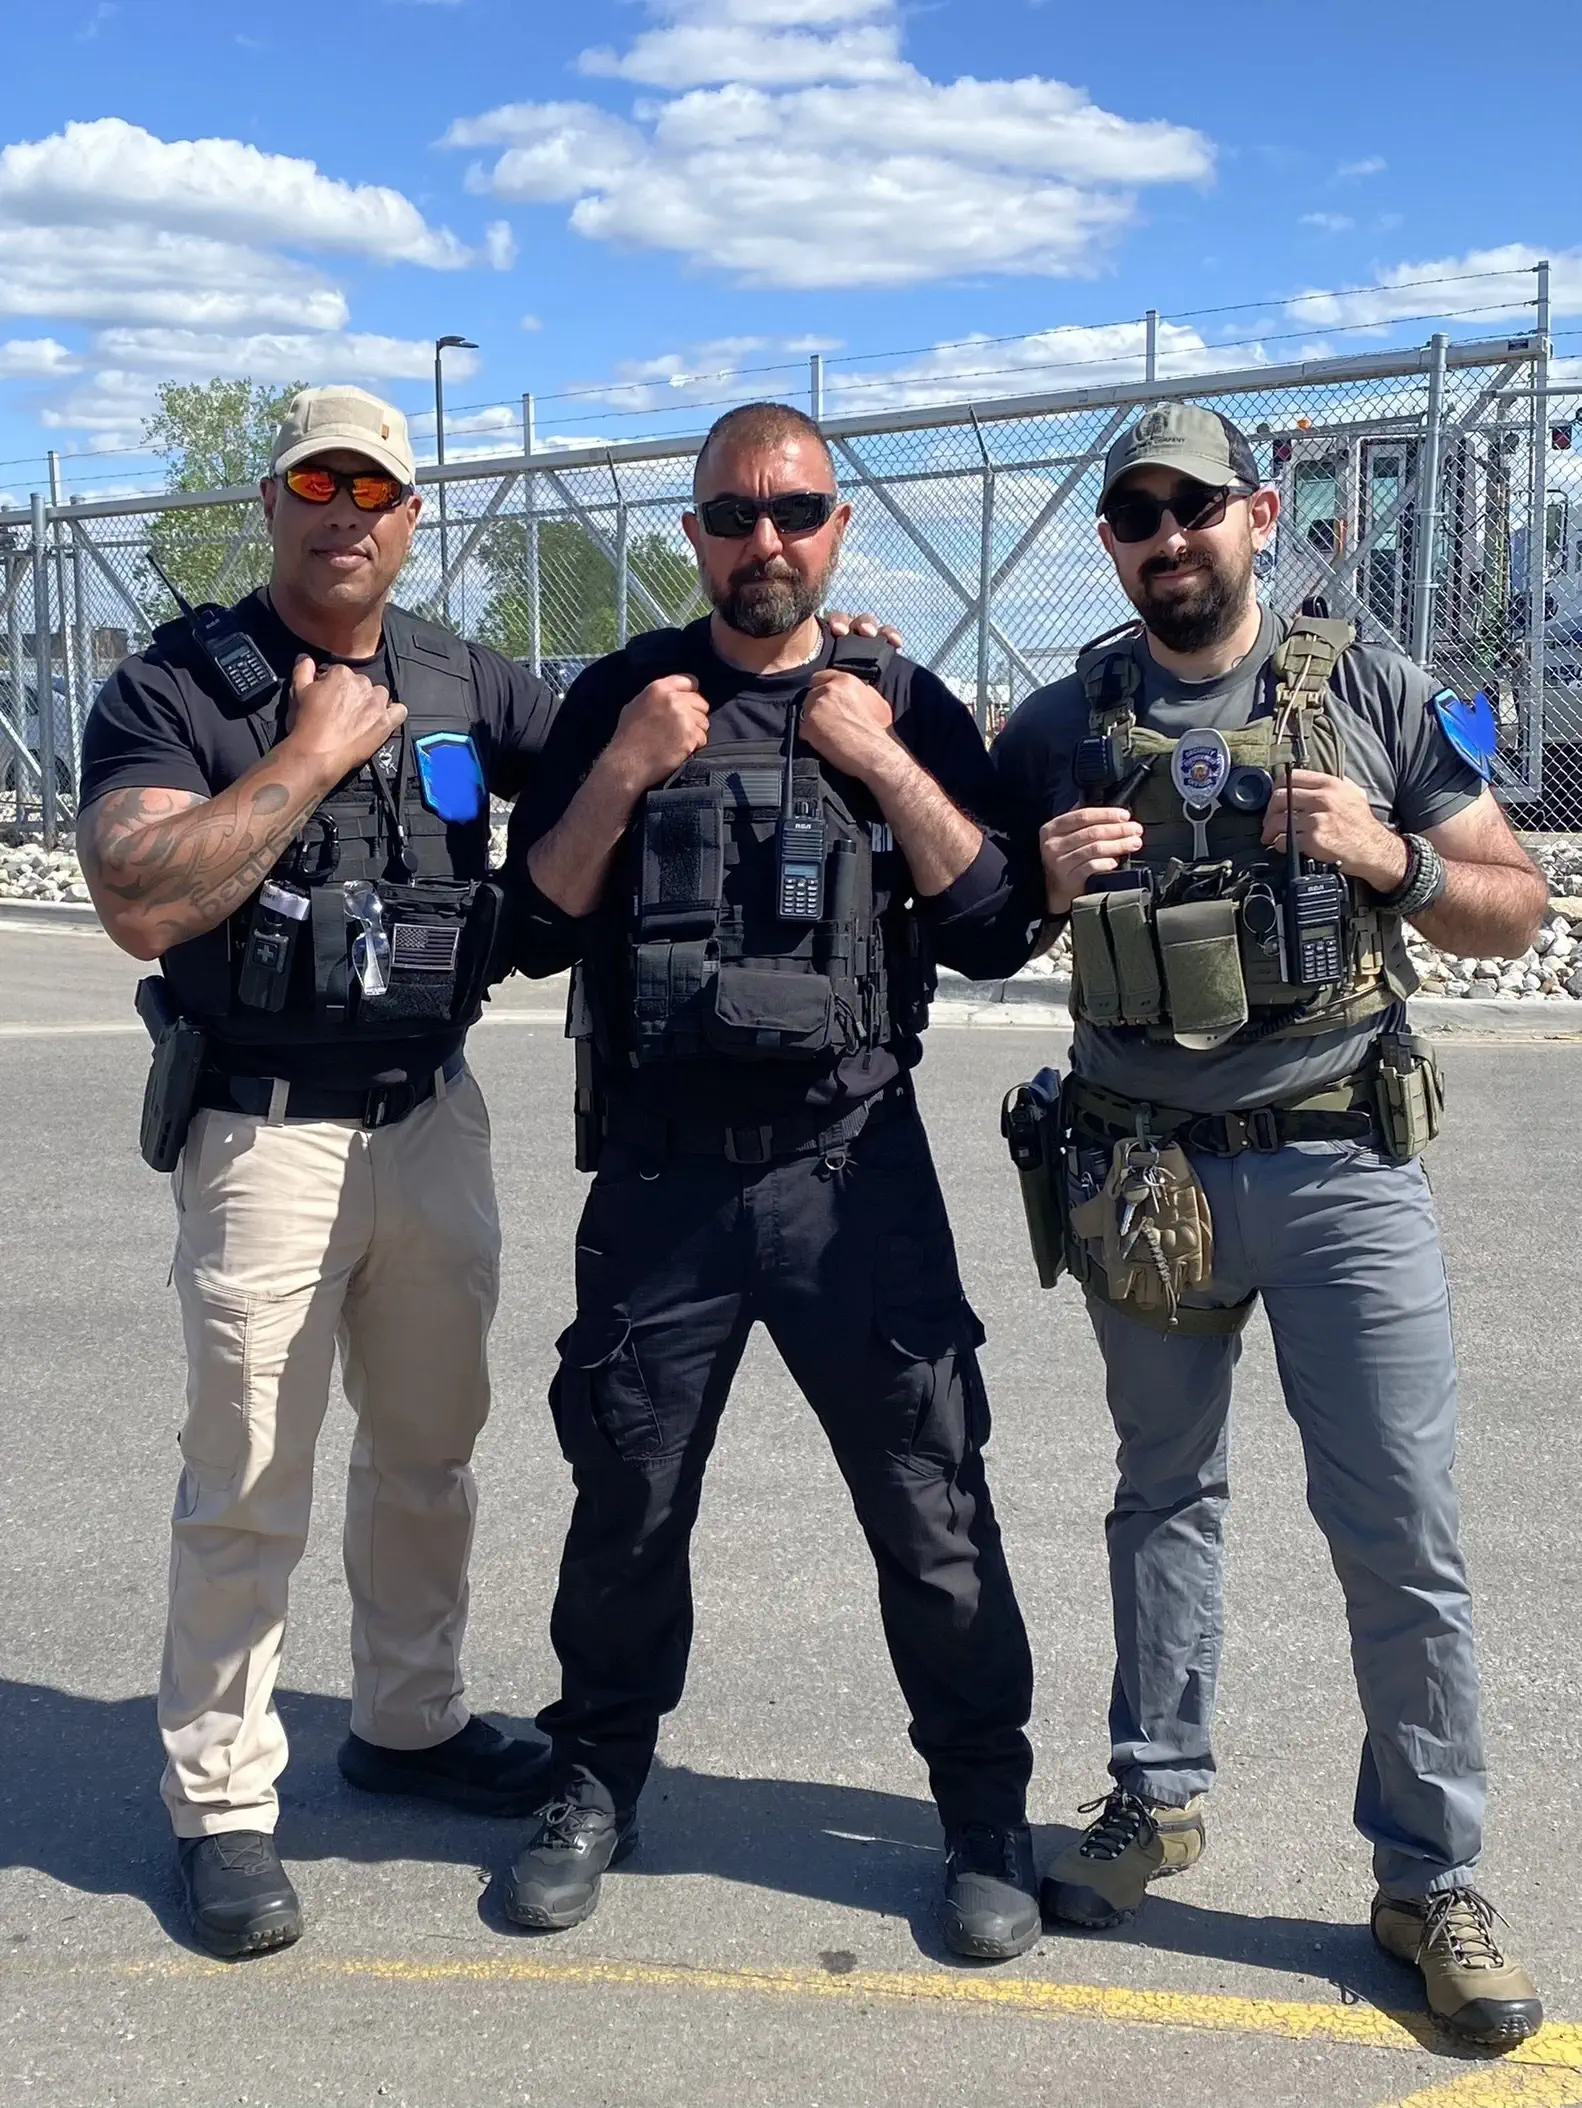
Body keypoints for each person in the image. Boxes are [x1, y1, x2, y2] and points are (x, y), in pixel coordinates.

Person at [988, 401, 1547, 2045]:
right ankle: (1152, 1797)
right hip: (1141, 1177)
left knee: (1399, 1531)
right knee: (1159, 1499)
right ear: (1110, 542)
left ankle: (1428, 1877)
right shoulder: (1061, 721)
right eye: (1132, 516)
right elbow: (962, 906)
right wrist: (1038, 883)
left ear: (1254, 511)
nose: (1166, 538)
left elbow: (1511, 905)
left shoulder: (1371, 689)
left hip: (1337, 1165)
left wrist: (1392, 860)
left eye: (1192, 505)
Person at [495, 401, 1040, 1960]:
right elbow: (530, 928)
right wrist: (625, 770)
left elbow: (996, 928)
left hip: (852, 1173)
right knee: (626, 1501)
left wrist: (880, 760)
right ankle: (593, 1783)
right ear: (693, 534)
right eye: (732, 515)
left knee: (931, 1507)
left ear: (836, 526)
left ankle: (982, 1816)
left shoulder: (901, 698)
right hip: (662, 1182)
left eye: (794, 510)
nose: (765, 542)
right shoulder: (622, 694)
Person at [77, 386, 557, 1960]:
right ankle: (220, 1801)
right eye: (316, 484)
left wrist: (823, 658)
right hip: (264, 1132)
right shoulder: (180, 684)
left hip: (431, 1117)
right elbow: (140, 899)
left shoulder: (463, 677)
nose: (345, 511)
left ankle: (409, 1722)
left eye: (375, 489)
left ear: (413, 517)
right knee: (247, 1479)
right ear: (272, 505)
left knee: (429, 1451)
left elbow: (629, 745)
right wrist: (308, 751)